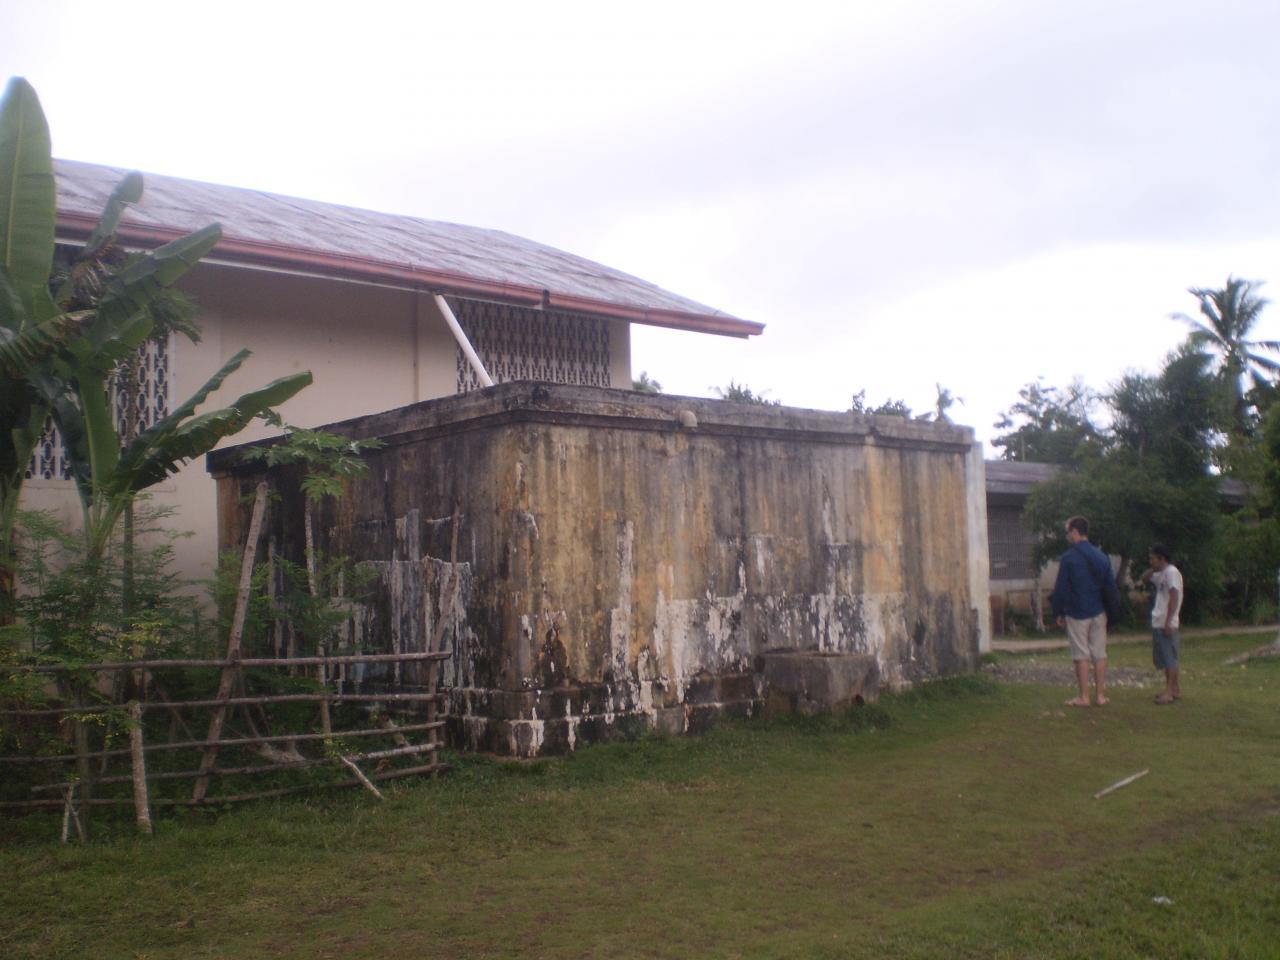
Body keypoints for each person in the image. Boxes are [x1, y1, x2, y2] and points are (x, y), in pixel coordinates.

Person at [1050, 515, 1117, 707]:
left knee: (1081, 655)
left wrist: (1058, 612)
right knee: (1099, 653)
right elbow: (1110, 587)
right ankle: (1100, 696)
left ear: (1074, 532)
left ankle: (1084, 697)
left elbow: (1061, 587)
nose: (1068, 536)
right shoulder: (1101, 556)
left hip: (1077, 612)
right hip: (1098, 610)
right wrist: (1112, 613)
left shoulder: (1068, 558)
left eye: (1068, 532)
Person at [1139, 545, 1183, 705]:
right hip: (1159, 621)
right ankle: (1174, 689)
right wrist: (1153, 568)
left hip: (1166, 621)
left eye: (1153, 558)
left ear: (1161, 558)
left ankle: (1169, 692)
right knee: (1166, 658)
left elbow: (1174, 596)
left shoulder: (1171, 573)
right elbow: (1144, 578)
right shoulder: (1161, 574)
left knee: (1169, 658)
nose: (1151, 561)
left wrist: (1169, 621)